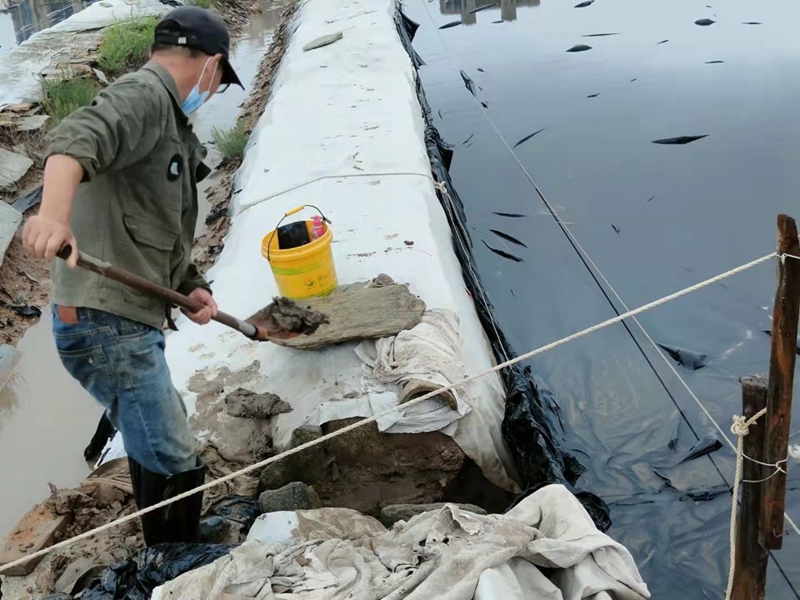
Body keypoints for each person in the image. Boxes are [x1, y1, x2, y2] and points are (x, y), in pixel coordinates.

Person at [22, 6, 243, 545]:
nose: (214, 90)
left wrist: (192, 286)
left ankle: (173, 541)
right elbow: (73, 142)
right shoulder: (145, 95)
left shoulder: (169, 121)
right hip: (104, 320)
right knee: (171, 448)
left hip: (125, 320)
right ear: (211, 65)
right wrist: (52, 217)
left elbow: (156, 226)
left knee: (157, 434)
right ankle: (173, 555)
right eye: (219, 80)